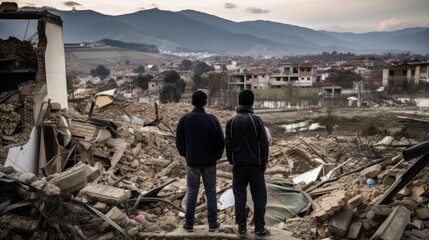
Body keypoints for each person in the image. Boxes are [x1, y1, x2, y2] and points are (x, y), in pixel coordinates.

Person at [176, 90, 225, 232]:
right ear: (206, 103)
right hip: (209, 162)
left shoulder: (185, 120)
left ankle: (189, 224)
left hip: (192, 162)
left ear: (192, 102)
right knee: (210, 192)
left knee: (192, 191)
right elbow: (220, 142)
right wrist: (215, 156)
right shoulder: (212, 120)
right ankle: (213, 224)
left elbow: (179, 141)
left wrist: (186, 154)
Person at [225, 89, 270, 238]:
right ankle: (259, 228)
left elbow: (229, 144)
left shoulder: (231, 121)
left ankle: (242, 229)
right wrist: (263, 163)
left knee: (239, 197)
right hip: (255, 166)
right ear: (252, 102)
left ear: (239, 101)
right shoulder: (256, 120)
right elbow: (263, 144)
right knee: (259, 197)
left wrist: (233, 161)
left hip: (238, 167)